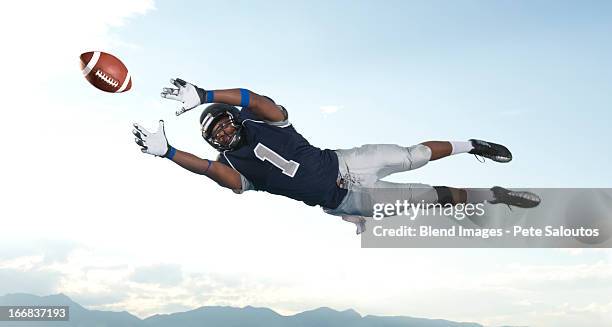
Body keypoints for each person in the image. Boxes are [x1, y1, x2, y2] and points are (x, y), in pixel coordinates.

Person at [133, 78, 540, 234]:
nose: (223, 131)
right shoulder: (234, 168)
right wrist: (168, 152)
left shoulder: (263, 122)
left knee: (414, 155)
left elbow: (255, 99)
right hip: (347, 198)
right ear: (216, 143)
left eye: (223, 121)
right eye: (215, 133)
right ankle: (494, 195)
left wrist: (205, 95)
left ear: (233, 119)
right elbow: (210, 172)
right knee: (432, 196)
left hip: (346, 163)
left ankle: (473, 145)